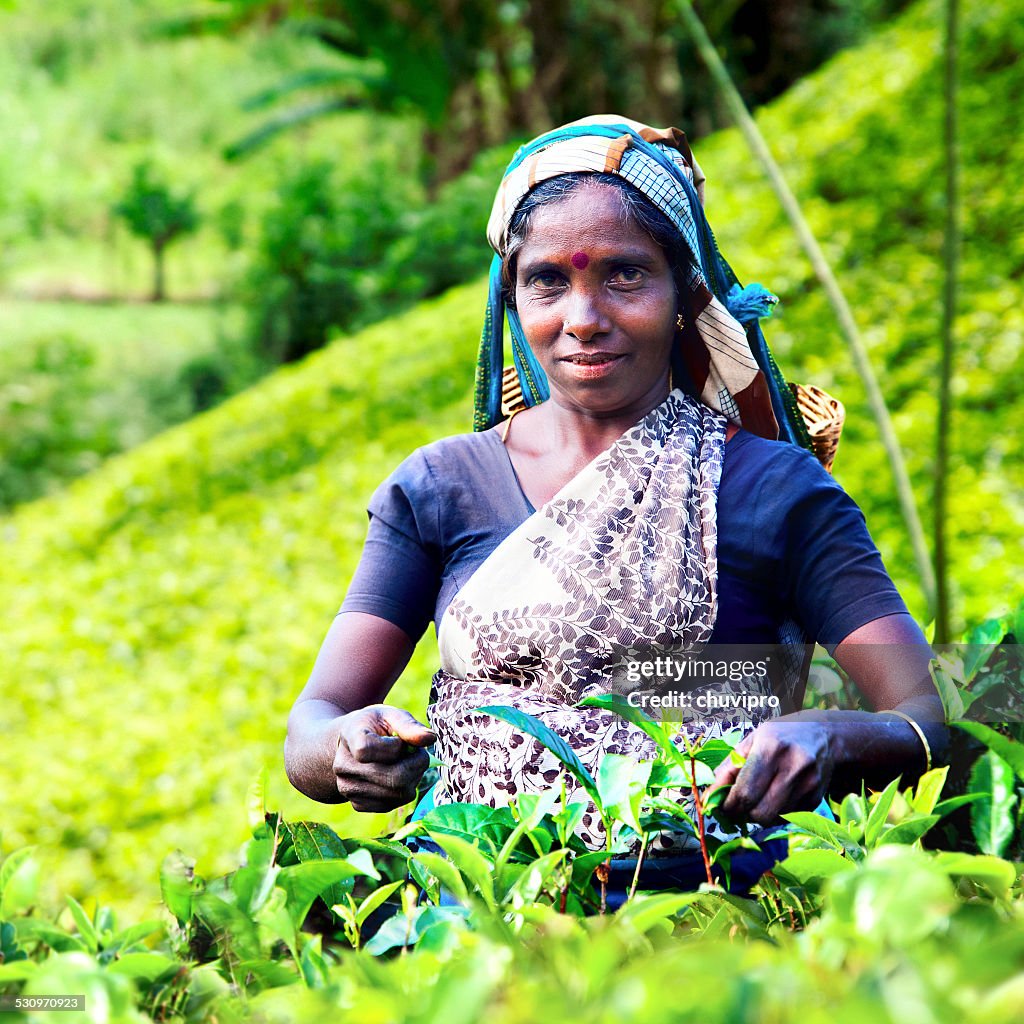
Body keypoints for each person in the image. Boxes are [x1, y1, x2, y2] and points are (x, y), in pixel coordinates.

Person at [284, 115, 946, 880]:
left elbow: (928, 715)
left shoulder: (777, 489)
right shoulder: (440, 488)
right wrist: (346, 749)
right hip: (479, 907)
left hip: (714, 909)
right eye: (547, 281)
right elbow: (314, 720)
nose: (583, 320)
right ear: (512, 296)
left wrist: (832, 738)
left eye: (625, 275)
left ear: (683, 293)